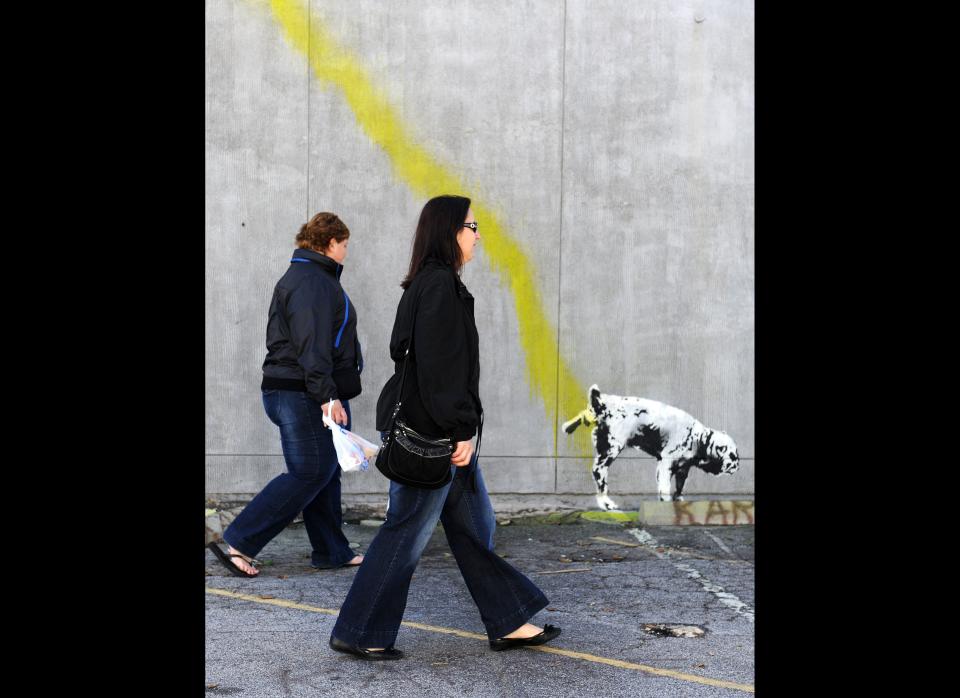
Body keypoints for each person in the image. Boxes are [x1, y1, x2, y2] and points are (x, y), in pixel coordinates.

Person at [328, 195, 561, 660]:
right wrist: (460, 432)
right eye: (472, 226)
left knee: (476, 529)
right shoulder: (438, 288)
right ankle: (360, 631)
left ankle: (509, 619)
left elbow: (413, 357)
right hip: (436, 439)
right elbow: (439, 371)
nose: (478, 235)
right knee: (406, 532)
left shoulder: (432, 285)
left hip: (439, 435)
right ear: (451, 230)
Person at [207, 212, 365, 577]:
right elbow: (312, 345)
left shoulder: (313, 277)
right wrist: (327, 395)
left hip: (304, 391)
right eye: (344, 246)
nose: (345, 253)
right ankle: (239, 542)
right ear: (329, 244)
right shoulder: (312, 282)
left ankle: (331, 549)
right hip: (302, 394)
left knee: (325, 470)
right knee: (310, 470)